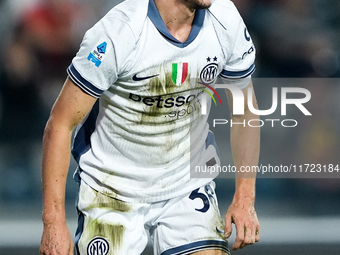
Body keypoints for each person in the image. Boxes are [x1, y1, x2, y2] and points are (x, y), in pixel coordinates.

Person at [40, 0, 260, 254]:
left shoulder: (225, 18)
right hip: (112, 190)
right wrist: (53, 221)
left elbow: (245, 111)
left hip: (186, 184)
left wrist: (245, 197)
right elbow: (60, 123)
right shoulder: (119, 32)